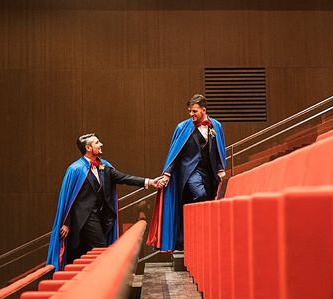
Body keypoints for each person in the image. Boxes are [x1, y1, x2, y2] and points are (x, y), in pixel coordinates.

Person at [47, 133, 161, 270]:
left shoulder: (104, 166)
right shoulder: (75, 169)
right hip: (84, 218)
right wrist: (66, 223)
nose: (101, 145)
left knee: (84, 253)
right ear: (88, 148)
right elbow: (69, 200)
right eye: (97, 143)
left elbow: (124, 178)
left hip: (102, 217)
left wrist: (149, 182)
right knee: (101, 247)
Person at [148, 94, 227, 251]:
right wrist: (167, 173)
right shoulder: (182, 127)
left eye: (195, 111)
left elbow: (219, 148)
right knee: (200, 194)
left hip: (209, 171)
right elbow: (174, 152)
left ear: (204, 110)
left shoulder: (216, 126)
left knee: (208, 199)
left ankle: (195, 238)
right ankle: (192, 231)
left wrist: (220, 168)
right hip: (190, 171)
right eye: (190, 111)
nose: (191, 114)